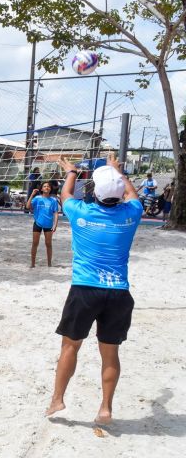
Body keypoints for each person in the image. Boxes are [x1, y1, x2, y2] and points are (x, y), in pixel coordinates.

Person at [46, 154, 142, 425]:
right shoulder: (131, 214)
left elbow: (65, 193)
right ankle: (105, 408)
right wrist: (117, 171)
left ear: (96, 193)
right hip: (118, 292)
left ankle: (57, 398)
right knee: (110, 354)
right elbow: (132, 194)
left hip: (85, 290)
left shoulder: (80, 211)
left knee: (70, 347)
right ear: (120, 192)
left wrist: (72, 171)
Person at [25, 181, 59, 268]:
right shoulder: (37, 198)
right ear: (41, 188)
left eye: (48, 186)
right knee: (35, 243)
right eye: (44, 186)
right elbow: (28, 207)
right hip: (38, 223)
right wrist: (32, 195)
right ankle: (32, 264)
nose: (46, 187)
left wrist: (55, 225)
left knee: (48, 244)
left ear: (50, 189)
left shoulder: (53, 200)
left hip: (48, 225)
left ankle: (49, 264)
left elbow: (55, 213)